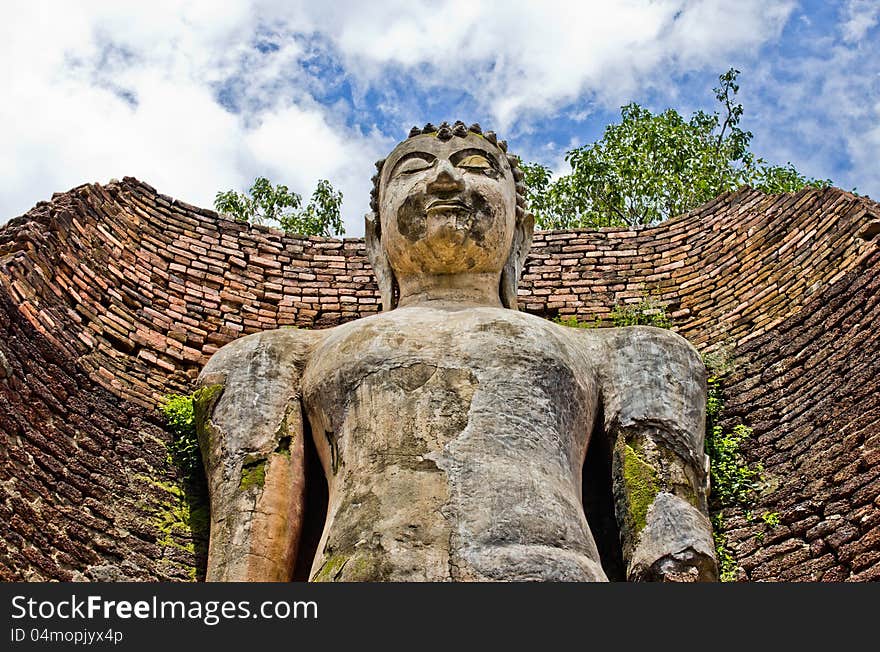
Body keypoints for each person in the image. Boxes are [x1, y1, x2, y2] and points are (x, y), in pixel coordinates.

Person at [195, 121, 717, 582]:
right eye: (416, 169)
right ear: (376, 238)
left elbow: (670, 540)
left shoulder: (630, 350)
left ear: (521, 232)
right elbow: (245, 563)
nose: (445, 180)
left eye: (474, 166)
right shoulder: (277, 356)